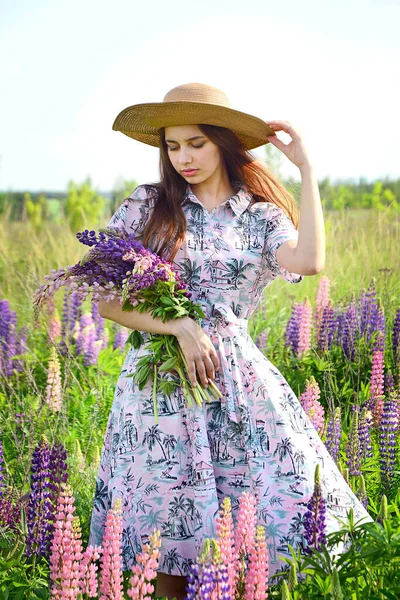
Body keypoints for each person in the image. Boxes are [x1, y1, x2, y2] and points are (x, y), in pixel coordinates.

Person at [88, 83, 372, 599]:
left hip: (235, 380)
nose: (183, 158)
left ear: (222, 141)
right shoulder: (149, 204)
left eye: (196, 143)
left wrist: (305, 168)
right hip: (159, 387)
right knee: (164, 535)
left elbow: (310, 262)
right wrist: (179, 326)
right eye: (173, 147)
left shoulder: (259, 214)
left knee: (263, 516)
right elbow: (106, 300)